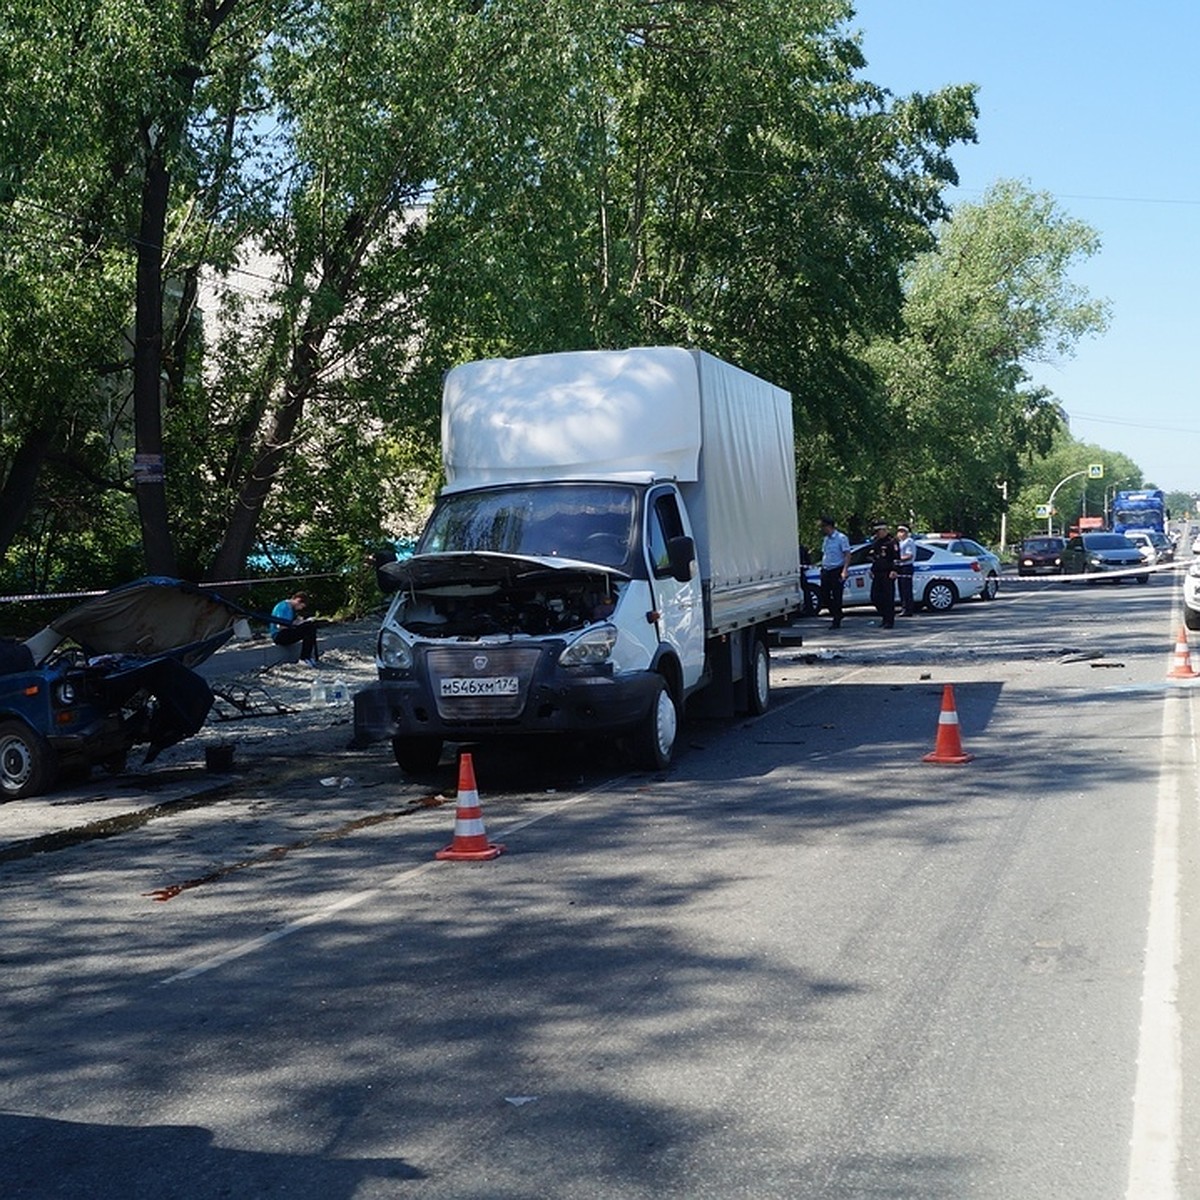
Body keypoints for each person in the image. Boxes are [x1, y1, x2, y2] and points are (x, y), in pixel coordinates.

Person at [818, 515, 851, 629]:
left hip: (837, 569)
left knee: (837, 596)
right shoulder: (826, 539)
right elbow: (825, 554)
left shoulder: (841, 538)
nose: (822, 529)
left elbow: (847, 554)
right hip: (826, 569)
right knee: (824, 595)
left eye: (823, 526)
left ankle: (836, 620)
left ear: (829, 526)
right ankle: (837, 612)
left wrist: (845, 570)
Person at [270, 590, 320, 665]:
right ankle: (304, 658)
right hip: (279, 635)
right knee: (308, 629)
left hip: (286, 632)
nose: (300, 609)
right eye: (301, 606)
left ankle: (308, 657)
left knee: (311, 626)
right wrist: (297, 625)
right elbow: (280, 626)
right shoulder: (283, 607)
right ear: (298, 601)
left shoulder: (291, 609)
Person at [866, 521, 899, 629]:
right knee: (875, 597)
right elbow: (875, 558)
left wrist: (894, 570)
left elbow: (896, 558)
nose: (877, 533)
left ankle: (889, 620)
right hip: (877, 573)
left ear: (884, 530)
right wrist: (872, 569)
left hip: (888, 573)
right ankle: (884, 616)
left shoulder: (892, 542)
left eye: (878, 531)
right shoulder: (876, 542)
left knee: (888, 598)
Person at [895, 523, 916, 616]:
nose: (900, 533)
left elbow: (909, 555)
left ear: (906, 532)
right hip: (900, 567)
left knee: (906, 589)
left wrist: (898, 558)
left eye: (902, 531)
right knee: (901, 589)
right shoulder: (900, 542)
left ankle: (908, 609)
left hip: (906, 567)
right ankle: (904, 608)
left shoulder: (908, 541)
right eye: (899, 531)